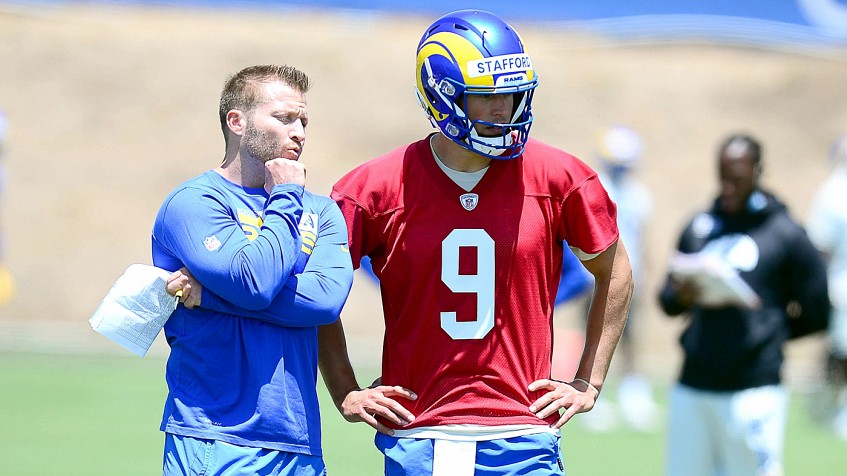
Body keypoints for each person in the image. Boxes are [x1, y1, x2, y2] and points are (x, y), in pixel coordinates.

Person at [318, 10, 634, 475]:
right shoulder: (372, 189)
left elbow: (616, 270)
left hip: (524, 434)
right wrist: (344, 387)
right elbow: (316, 292)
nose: (504, 108)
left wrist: (589, 379)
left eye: (511, 93)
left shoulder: (560, 176)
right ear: (443, 96)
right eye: (487, 96)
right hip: (418, 433)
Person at [151, 64, 354, 476]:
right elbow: (255, 282)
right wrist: (284, 195)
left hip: (299, 445)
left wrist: (210, 296)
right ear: (237, 121)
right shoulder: (194, 203)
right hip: (214, 438)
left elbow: (326, 302)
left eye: (303, 120)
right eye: (283, 118)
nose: (299, 131)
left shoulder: (321, 210)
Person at [658, 134, 829, 476]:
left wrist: (768, 333)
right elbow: (667, 301)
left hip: (755, 389)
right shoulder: (699, 227)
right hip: (694, 384)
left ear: (758, 171)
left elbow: (817, 314)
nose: (729, 187)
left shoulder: (786, 234)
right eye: (722, 177)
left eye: (737, 178)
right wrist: (682, 295)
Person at [580, 125, 659, 432]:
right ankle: (587, 390)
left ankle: (633, 394)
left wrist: (646, 274)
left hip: (629, 275)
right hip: (594, 276)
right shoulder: (595, 186)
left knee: (630, 338)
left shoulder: (638, 195)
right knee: (593, 336)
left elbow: (642, 238)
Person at [807, 134, 847, 441]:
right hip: (841, 282)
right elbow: (821, 245)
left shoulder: (833, 192)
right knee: (841, 349)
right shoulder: (833, 193)